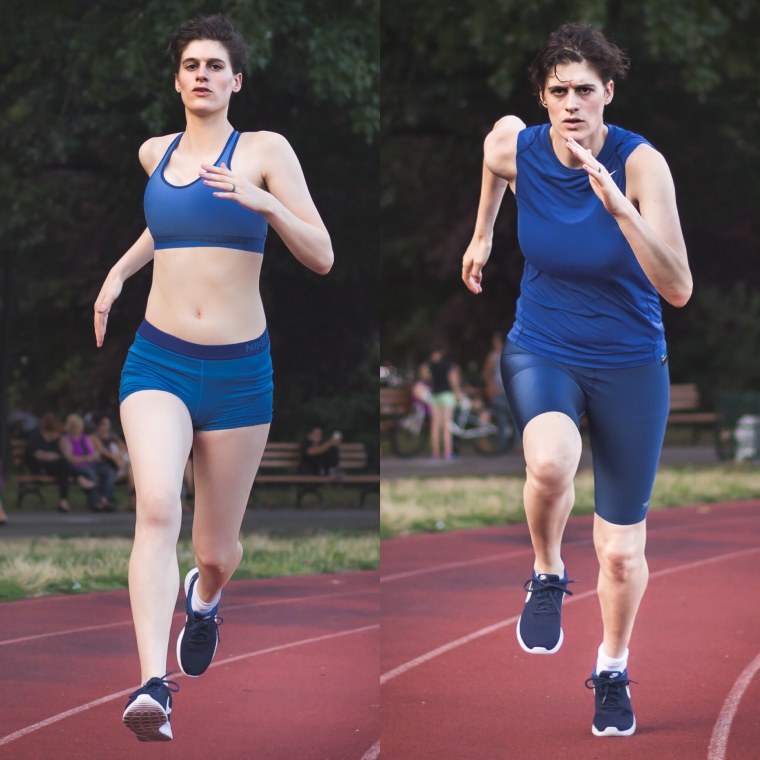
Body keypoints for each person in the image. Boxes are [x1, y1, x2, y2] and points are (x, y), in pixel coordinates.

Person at [93, 15, 333, 742]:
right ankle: (152, 687)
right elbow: (167, 226)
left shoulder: (264, 152)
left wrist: (264, 202)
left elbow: (321, 253)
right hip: (158, 360)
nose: (202, 74)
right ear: (177, 80)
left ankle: (205, 600)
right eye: (191, 65)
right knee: (157, 506)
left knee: (214, 550)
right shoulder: (153, 153)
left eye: (215, 65)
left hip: (237, 374)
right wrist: (118, 272)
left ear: (236, 81)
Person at [461, 23, 691, 737]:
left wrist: (619, 206)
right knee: (551, 458)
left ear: (608, 95)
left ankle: (613, 666)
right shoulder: (517, 146)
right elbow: (491, 157)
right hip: (544, 347)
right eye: (557, 91)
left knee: (622, 554)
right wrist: (484, 231)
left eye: (584, 90)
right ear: (542, 97)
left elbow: (678, 287)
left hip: (630, 363)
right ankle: (547, 570)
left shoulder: (641, 164)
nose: (570, 103)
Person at [26, 412, 81, 513]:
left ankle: (63, 501)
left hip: (55, 467)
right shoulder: (36, 436)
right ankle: (79, 478)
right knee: (62, 464)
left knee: (63, 469)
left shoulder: (57, 439)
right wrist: (51, 456)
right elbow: (36, 454)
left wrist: (64, 442)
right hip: (39, 467)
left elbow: (66, 454)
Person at [59, 413, 116, 511]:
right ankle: (94, 503)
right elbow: (69, 458)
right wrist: (86, 458)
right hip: (77, 466)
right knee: (90, 473)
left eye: (79, 426)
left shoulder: (84, 438)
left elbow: (92, 452)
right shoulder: (65, 440)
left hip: (91, 464)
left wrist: (96, 456)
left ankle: (104, 500)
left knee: (108, 471)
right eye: (76, 427)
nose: (78, 429)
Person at [424, 344, 461, 460]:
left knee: (435, 426)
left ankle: (435, 453)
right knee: (446, 425)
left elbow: (426, 377)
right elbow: (453, 382)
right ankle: (448, 452)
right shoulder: (449, 365)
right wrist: (458, 395)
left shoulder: (431, 365)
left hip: (434, 396)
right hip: (446, 396)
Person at [91, 413, 134, 510]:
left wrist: (121, 457)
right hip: (107, 464)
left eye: (108, 424)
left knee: (132, 470)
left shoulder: (113, 436)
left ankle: (133, 499)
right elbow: (103, 451)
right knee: (122, 472)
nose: (107, 426)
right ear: (99, 425)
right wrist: (116, 459)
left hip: (121, 462)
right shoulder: (94, 437)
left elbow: (123, 447)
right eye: (104, 424)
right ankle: (131, 498)